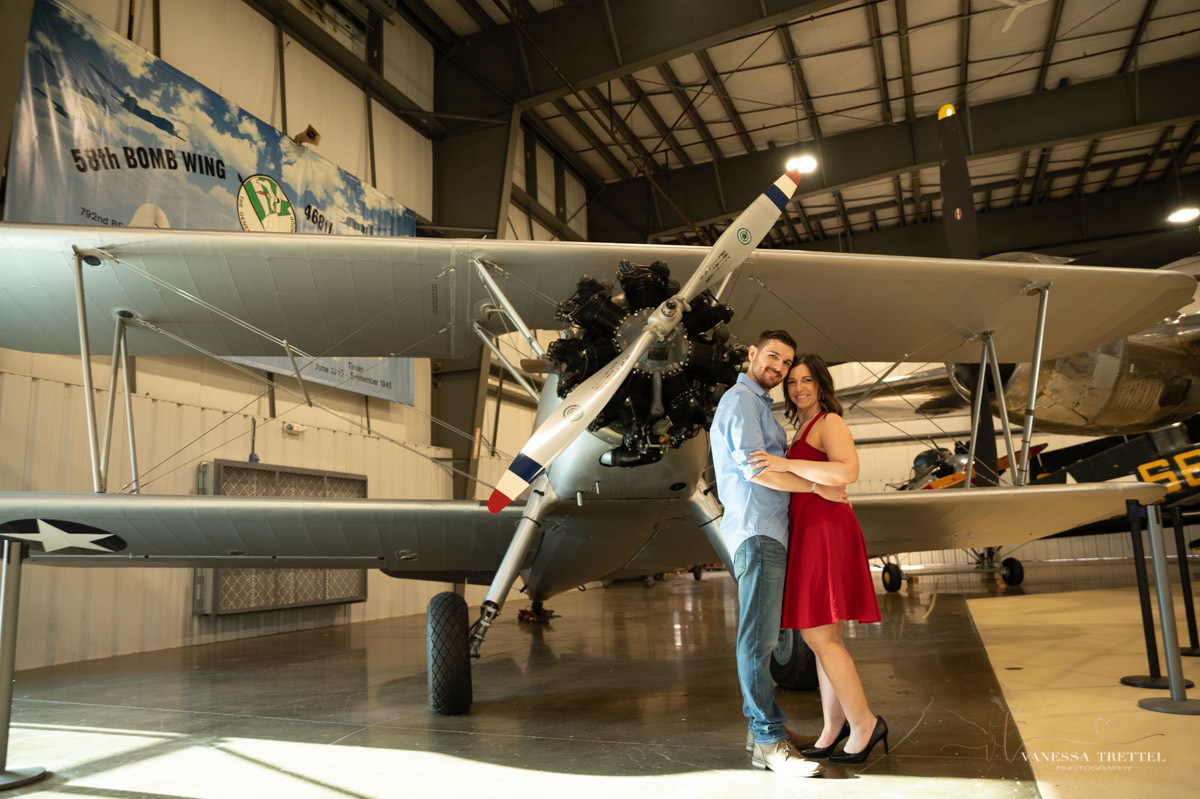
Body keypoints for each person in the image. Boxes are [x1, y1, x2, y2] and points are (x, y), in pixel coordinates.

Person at [710, 331, 846, 777]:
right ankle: (770, 740)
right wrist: (816, 487)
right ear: (752, 354)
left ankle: (761, 736)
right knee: (758, 640)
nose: (779, 368)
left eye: (786, 363)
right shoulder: (742, 401)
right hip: (757, 532)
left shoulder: (758, 406)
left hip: (770, 534)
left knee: (764, 639)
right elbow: (757, 469)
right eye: (773, 357)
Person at [748, 353, 887, 765]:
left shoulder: (829, 422)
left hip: (827, 532)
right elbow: (811, 479)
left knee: (818, 636)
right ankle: (832, 728)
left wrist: (785, 463)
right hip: (811, 530)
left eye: (806, 380)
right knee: (824, 638)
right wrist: (802, 478)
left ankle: (864, 724)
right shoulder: (804, 426)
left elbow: (848, 472)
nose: (798, 388)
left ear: (821, 384)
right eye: (792, 382)